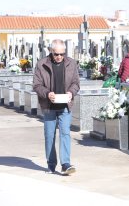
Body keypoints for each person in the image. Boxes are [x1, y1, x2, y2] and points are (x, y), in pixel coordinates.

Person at [33, 39, 80, 175]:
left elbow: (76, 83)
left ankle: (65, 164)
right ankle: (51, 164)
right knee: (49, 135)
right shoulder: (41, 65)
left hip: (65, 105)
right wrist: (47, 94)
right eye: (56, 54)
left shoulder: (71, 63)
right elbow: (37, 85)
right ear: (51, 52)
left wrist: (71, 92)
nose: (59, 57)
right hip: (49, 106)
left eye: (62, 54)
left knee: (65, 133)